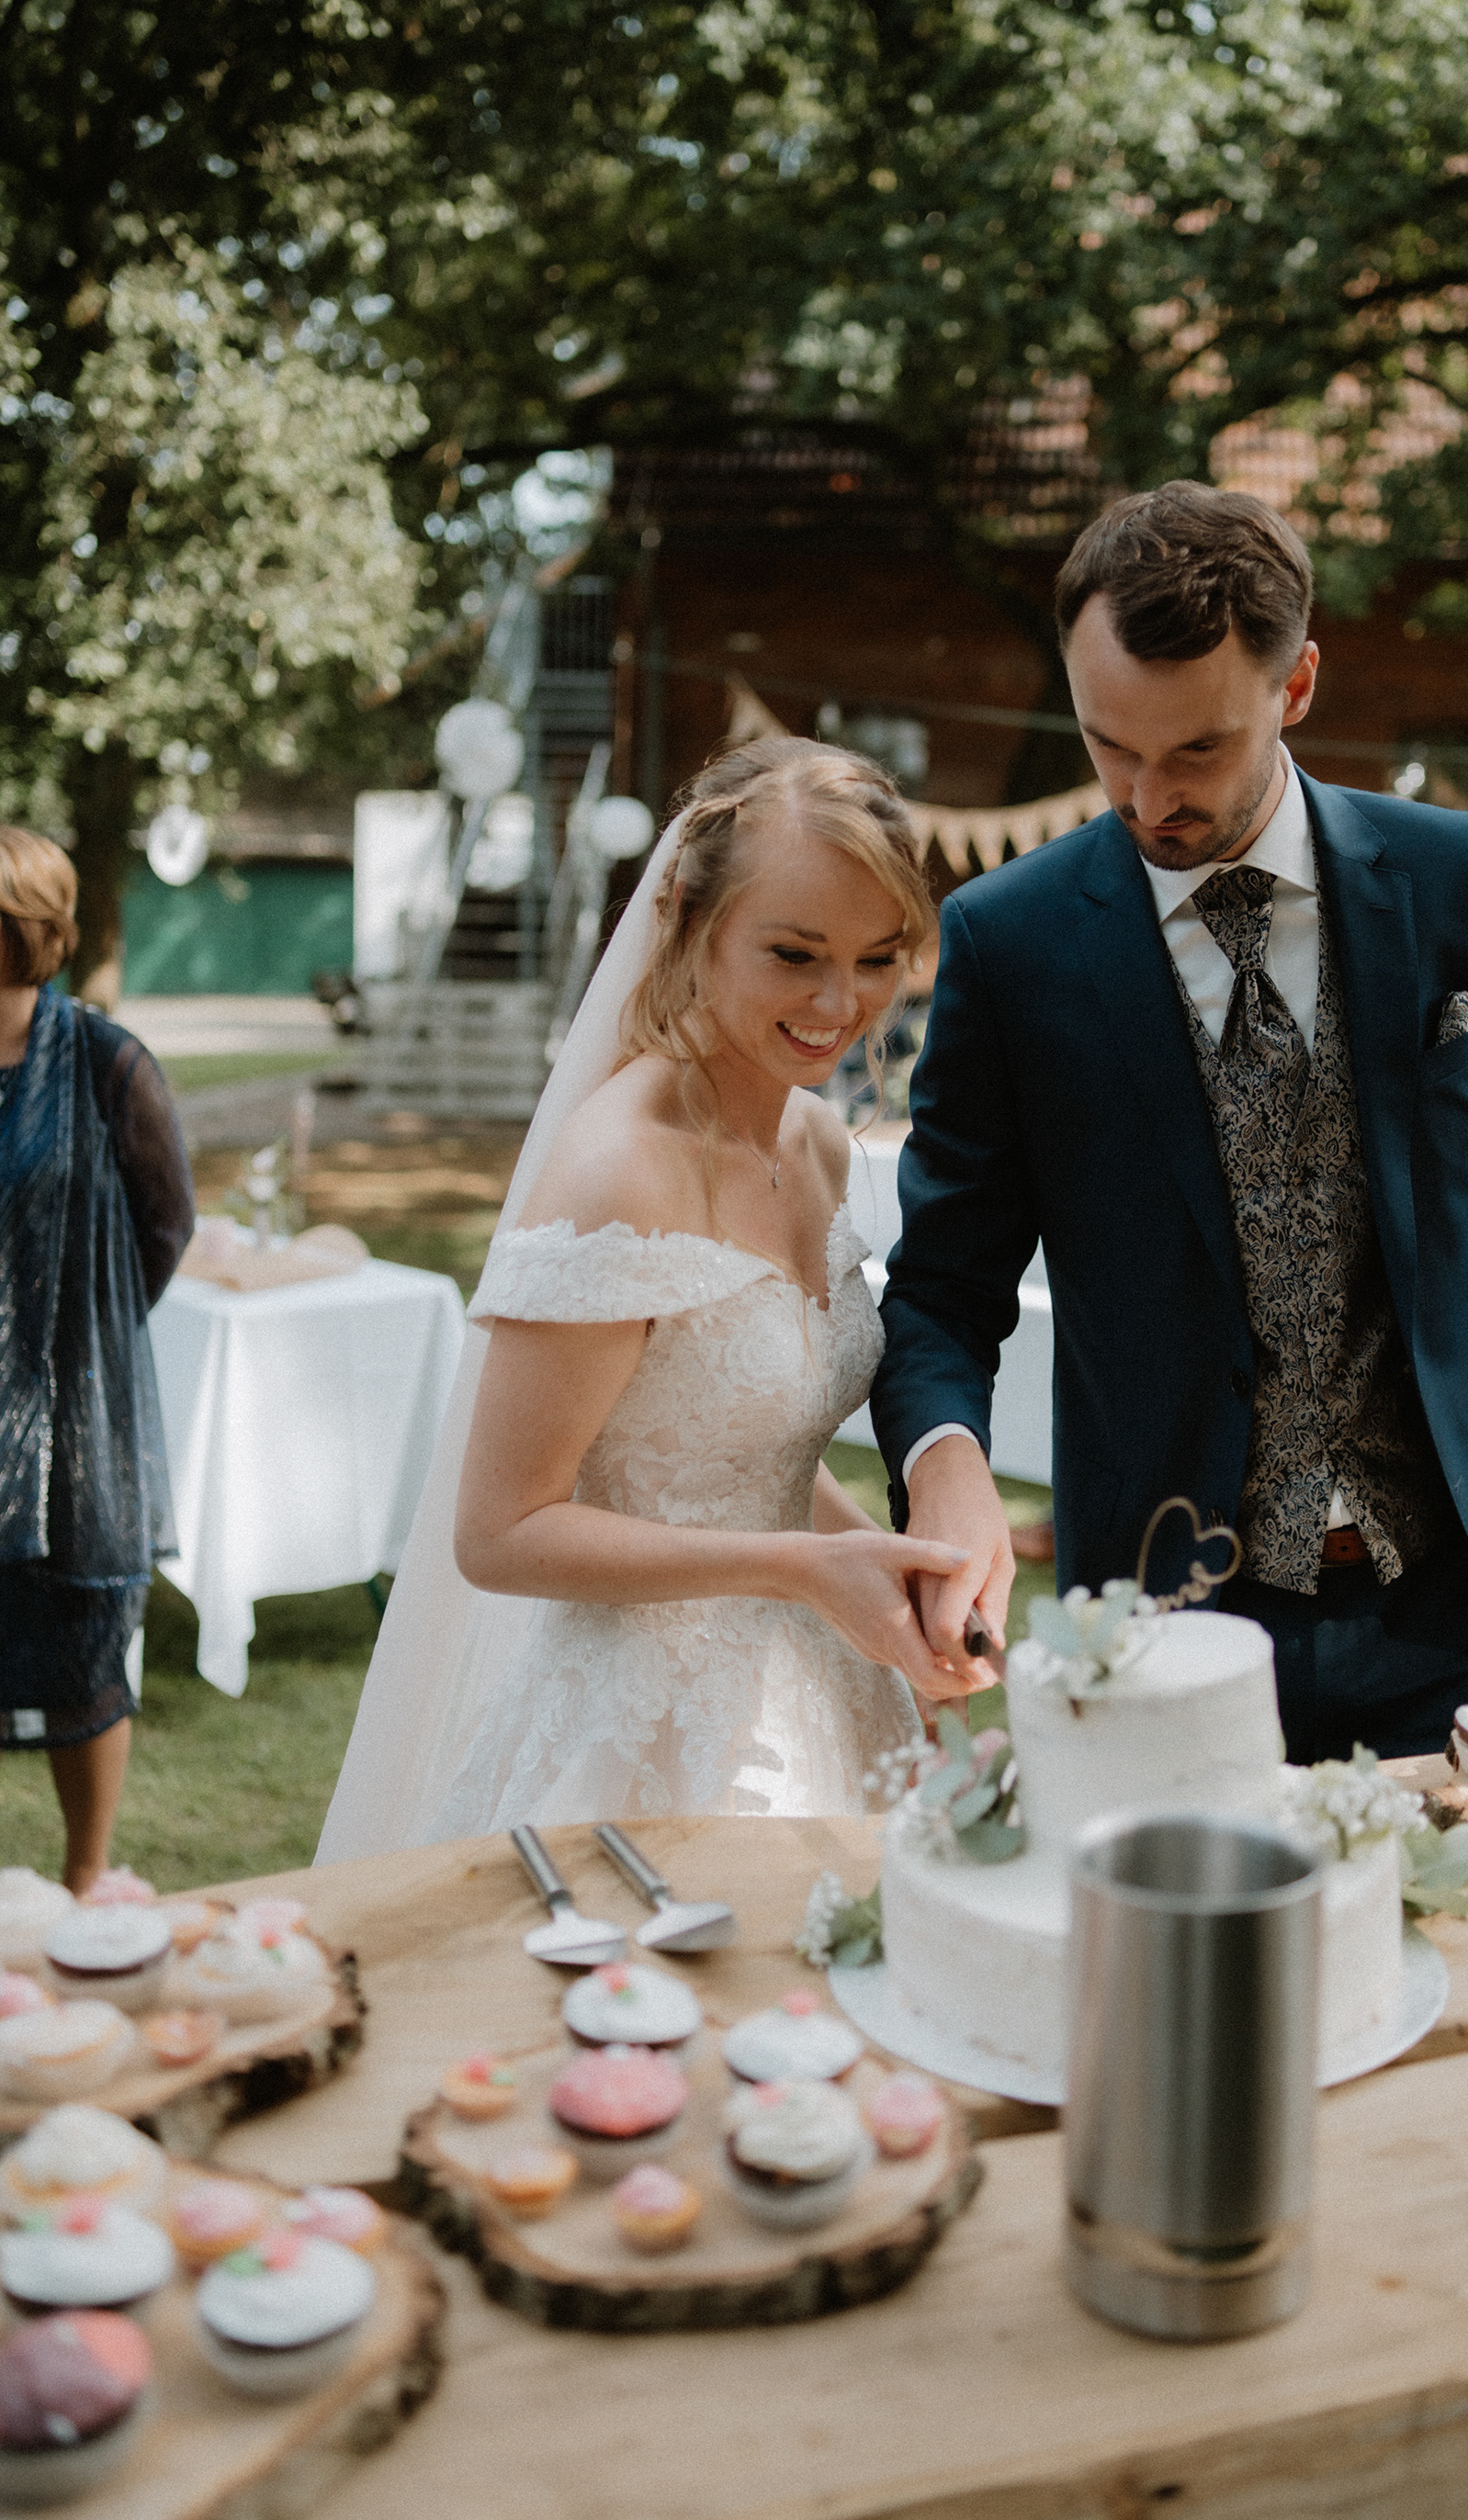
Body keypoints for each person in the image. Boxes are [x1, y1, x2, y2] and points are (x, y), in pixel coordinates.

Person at [873, 481, 1468, 1761]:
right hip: (1168, 1615)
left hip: (1457, 1598)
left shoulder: (1464, 879)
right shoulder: (1010, 945)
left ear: (1297, 686)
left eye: (1195, 751)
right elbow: (941, 1290)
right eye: (1109, 741)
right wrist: (946, 1451)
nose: (1144, 796)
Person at [317, 739, 981, 1861]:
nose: (840, 1002)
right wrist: (800, 1569)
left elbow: (739, 1445)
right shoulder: (617, 1170)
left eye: (878, 957)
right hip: (641, 1736)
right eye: (794, 952)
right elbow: (502, 1531)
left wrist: (897, 1583)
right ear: (684, 915)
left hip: (815, 1688)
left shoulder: (815, 1140)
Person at [0, 828, 194, 1890]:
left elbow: (165, 1224)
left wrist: (74, 1340)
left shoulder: (107, 1060)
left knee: (79, 1656)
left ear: (25, 932)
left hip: (71, 1421)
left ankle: (86, 1873)